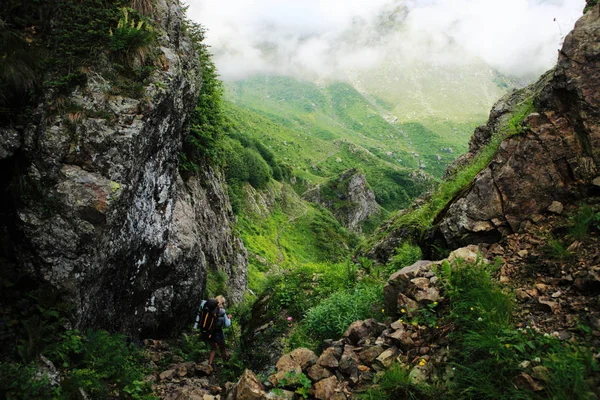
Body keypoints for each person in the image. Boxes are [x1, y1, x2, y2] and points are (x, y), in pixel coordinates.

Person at [197, 295, 231, 366]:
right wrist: (229, 318)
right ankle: (226, 362)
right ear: (222, 303)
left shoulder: (210, 309)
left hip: (210, 331)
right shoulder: (222, 311)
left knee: (213, 348)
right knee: (222, 347)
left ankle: (210, 363)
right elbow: (227, 324)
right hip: (218, 332)